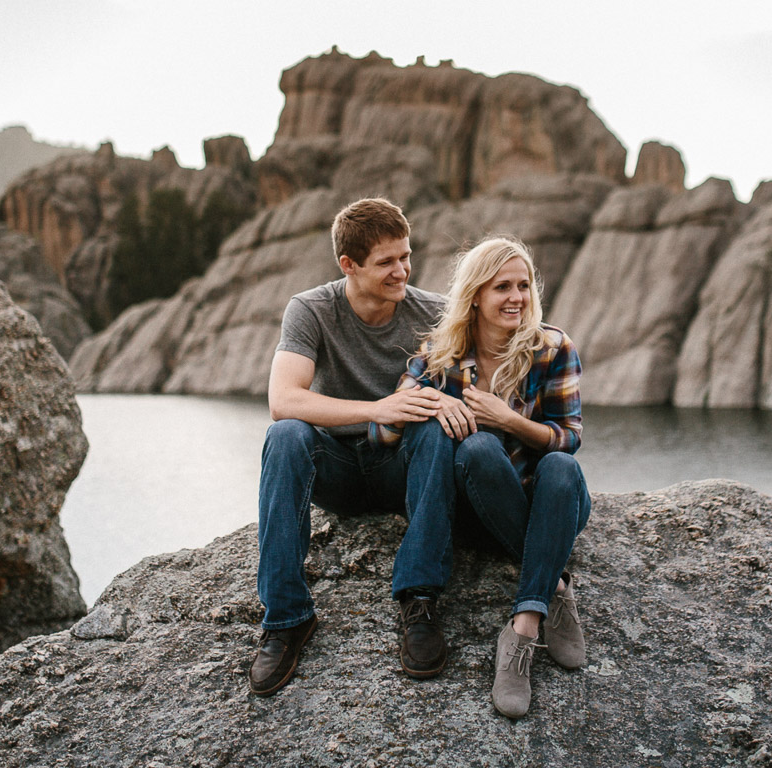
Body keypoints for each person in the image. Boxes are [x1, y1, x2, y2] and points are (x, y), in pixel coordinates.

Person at [250, 197, 477, 697]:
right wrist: (378, 408)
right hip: (340, 472)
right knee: (285, 435)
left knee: (437, 422)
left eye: (406, 256)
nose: (402, 271)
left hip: (402, 468)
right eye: (387, 262)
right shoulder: (310, 309)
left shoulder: (434, 313)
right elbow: (283, 400)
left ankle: (419, 601)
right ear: (348, 265)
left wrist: (441, 403)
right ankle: (287, 618)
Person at [372, 236, 589, 718]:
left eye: (524, 285)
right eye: (501, 287)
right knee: (476, 447)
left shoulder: (553, 348)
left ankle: (525, 626)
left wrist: (510, 419)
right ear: (475, 295)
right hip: (484, 513)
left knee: (561, 466)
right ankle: (553, 584)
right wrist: (434, 401)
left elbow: (570, 437)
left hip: (548, 503)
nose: (516, 297)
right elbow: (381, 432)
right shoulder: (439, 356)